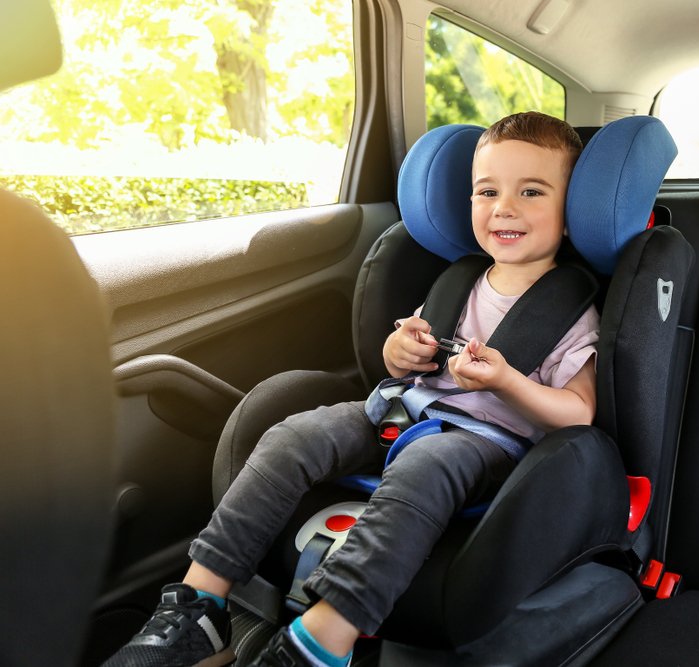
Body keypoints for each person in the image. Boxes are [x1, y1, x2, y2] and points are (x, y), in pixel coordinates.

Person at [103, 111, 600, 667]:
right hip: (402, 412)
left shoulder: (572, 310)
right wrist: (402, 351)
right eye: (487, 191)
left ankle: (324, 638)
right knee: (292, 434)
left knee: (428, 464)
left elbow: (578, 414)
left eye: (531, 191)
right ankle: (199, 607)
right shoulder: (458, 281)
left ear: (569, 209)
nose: (504, 207)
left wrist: (507, 381)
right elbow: (401, 363)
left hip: (485, 443)